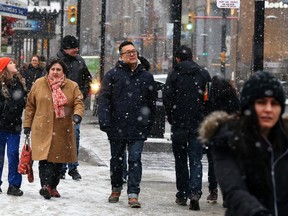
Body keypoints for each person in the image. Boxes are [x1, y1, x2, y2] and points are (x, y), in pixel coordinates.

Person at [199, 71, 288, 216]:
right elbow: (233, 189)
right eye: (261, 102)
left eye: (274, 103)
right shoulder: (228, 140)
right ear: (249, 106)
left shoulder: (284, 141)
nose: (268, 109)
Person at [98, 41, 157, 208]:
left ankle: (133, 193)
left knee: (135, 159)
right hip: (116, 126)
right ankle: (116, 188)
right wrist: (105, 121)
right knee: (117, 160)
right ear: (121, 56)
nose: (132, 54)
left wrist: (148, 123)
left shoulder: (146, 77)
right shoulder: (112, 75)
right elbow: (104, 100)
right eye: (128, 52)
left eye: (134, 51)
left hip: (138, 127)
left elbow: (151, 103)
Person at [23, 58, 84, 199]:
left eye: (58, 70)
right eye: (53, 69)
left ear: (63, 71)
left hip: (62, 129)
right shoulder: (39, 84)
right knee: (44, 160)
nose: (55, 72)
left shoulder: (72, 86)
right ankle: (45, 186)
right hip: (42, 128)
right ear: (48, 70)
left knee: (58, 161)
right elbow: (30, 106)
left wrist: (77, 116)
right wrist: (27, 125)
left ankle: (53, 186)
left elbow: (78, 103)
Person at [163, 45, 211, 211]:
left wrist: (172, 117)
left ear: (177, 58)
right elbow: (208, 99)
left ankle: (182, 193)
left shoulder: (174, 74)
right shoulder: (203, 74)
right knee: (196, 160)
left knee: (181, 160)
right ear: (192, 57)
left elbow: (167, 99)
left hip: (179, 124)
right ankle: (195, 192)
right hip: (198, 123)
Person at [48, 35, 92, 180]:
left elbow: (87, 79)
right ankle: (61, 167)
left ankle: (73, 166)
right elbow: (46, 81)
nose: (76, 50)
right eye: (73, 47)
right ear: (66, 49)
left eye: (76, 47)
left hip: (74, 104)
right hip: (58, 104)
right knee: (60, 136)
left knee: (74, 134)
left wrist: (81, 94)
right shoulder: (55, 61)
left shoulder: (80, 61)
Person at [204, 75, 240, 204]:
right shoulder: (232, 97)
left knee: (213, 164)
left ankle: (213, 192)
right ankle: (226, 195)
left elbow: (206, 114)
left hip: (214, 135)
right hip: (230, 134)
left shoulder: (211, 97)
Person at [0, 57, 27, 196]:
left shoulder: (19, 82)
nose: (14, 64)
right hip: (1, 126)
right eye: (10, 63)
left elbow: (20, 102)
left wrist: (9, 108)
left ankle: (14, 185)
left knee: (13, 155)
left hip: (13, 126)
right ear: (4, 67)